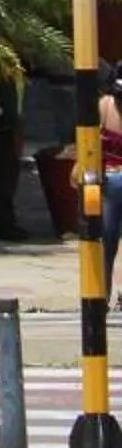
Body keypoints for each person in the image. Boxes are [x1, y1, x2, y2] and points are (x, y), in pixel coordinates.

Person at [101, 68, 122, 299]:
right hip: (108, 181)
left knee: (106, 243)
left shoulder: (104, 104)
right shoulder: (104, 106)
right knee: (106, 242)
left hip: (109, 178)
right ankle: (101, 295)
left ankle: (102, 296)